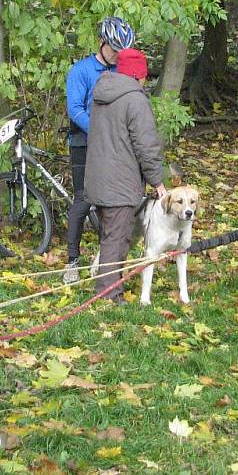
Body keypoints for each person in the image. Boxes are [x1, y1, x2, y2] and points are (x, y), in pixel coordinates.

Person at [84, 48, 166, 304]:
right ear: (137, 75)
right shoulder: (135, 100)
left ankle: (109, 284)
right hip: (119, 181)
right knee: (116, 239)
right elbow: (146, 145)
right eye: (144, 76)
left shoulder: (101, 95)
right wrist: (157, 181)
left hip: (98, 177)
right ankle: (109, 295)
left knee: (111, 235)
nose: (145, 81)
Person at [63, 16, 136, 284]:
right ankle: (72, 261)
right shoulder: (81, 71)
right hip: (85, 142)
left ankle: (104, 262)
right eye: (115, 50)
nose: (119, 56)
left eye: (123, 52)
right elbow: (75, 109)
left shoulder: (122, 71)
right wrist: (98, 131)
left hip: (114, 146)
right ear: (102, 43)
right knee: (83, 199)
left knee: (112, 203)